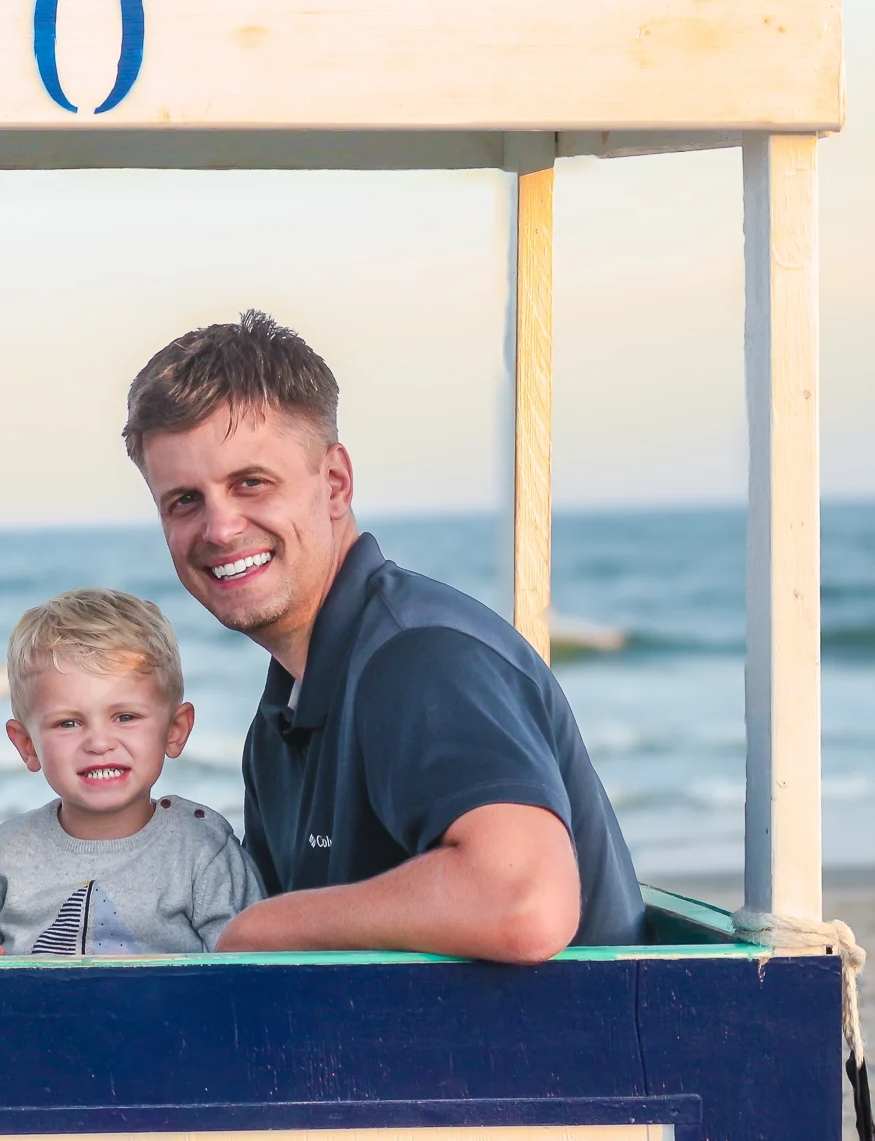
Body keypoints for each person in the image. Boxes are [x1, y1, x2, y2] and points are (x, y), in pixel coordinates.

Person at [123, 311, 646, 962]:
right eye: (183, 501)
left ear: (334, 482)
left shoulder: (417, 656)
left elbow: (523, 901)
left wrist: (258, 930)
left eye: (249, 483)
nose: (219, 528)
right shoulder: (282, 715)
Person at [0, 589, 263, 957]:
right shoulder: (3, 857)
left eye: (125, 717)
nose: (99, 742)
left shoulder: (203, 851)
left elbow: (248, 977)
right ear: (26, 744)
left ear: (175, 730)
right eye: (68, 723)